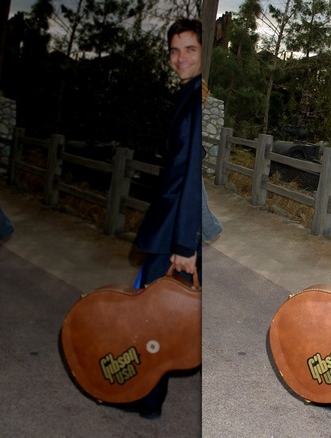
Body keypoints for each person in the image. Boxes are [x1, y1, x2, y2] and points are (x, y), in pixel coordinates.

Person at [127, 17, 204, 419]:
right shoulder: (188, 96)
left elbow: (191, 176)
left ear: (204, 52)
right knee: (164, 314)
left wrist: (184, 245)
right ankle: (148, 394)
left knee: (156, 316)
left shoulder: (195, 102)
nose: (180, 58)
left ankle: (148, 399)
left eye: (190, 49)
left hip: (176, 233)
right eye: (175, 50)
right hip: (174, 227)